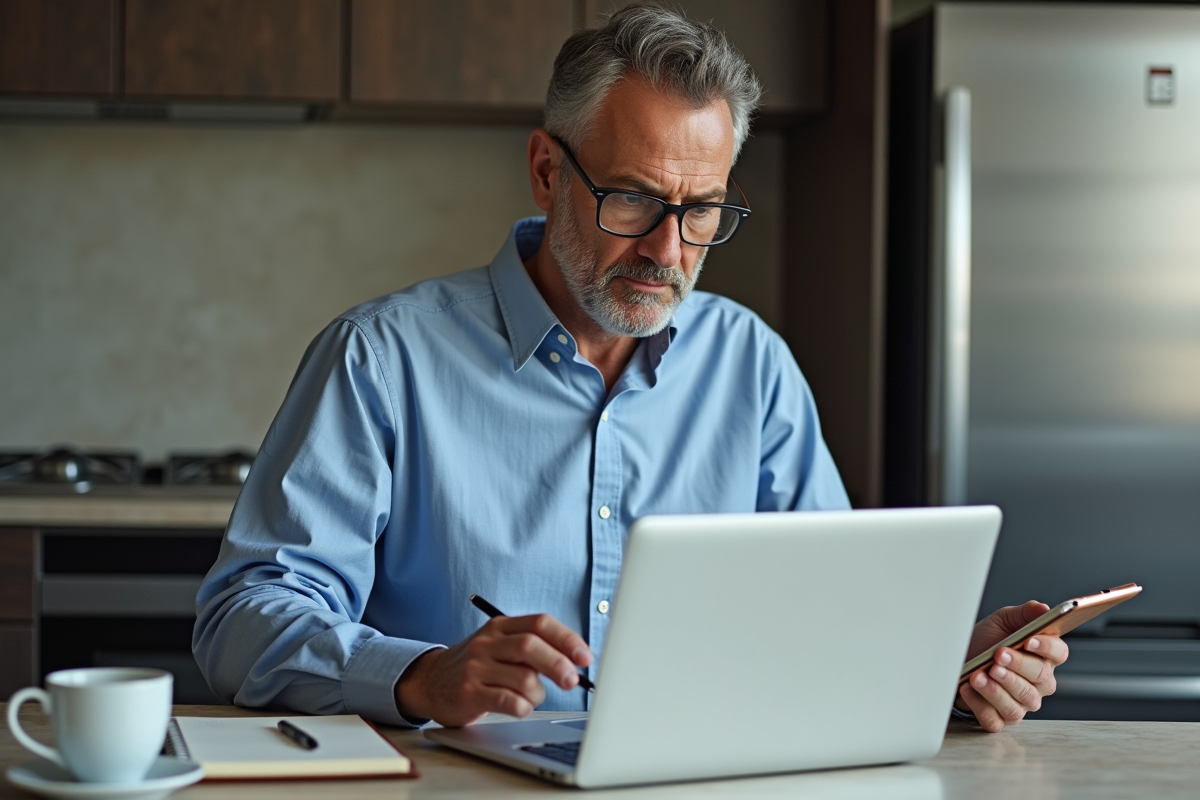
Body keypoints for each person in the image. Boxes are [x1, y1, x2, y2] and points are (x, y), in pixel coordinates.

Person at [193, 3, 1066, 735]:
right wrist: (420, 675)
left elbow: (826, 619)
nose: (666, 250)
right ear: (546, 171)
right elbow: (242, 619)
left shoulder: (751, 366)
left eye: (702, 211)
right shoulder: (381, 360)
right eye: (634, 200)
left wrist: (942, 667)